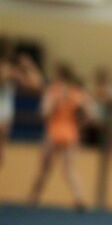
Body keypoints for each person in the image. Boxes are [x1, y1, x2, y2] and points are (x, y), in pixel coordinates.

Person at [28, 62, 93, 211]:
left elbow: (44, 112)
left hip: (54, 132)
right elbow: (89, 113)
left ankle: (33, 197)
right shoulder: (76, 92)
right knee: (69, 169)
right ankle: (79, 198)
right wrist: (79, 124)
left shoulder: (54, 91)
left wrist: (52, 112)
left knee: (44, 168)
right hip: (70, 132)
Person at [0, 52, 43, 168]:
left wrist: (29, 66)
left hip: (4, 117)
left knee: (1, 154)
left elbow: (36, 84)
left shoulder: (13, 74)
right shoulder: (8, 71)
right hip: (4, 116)